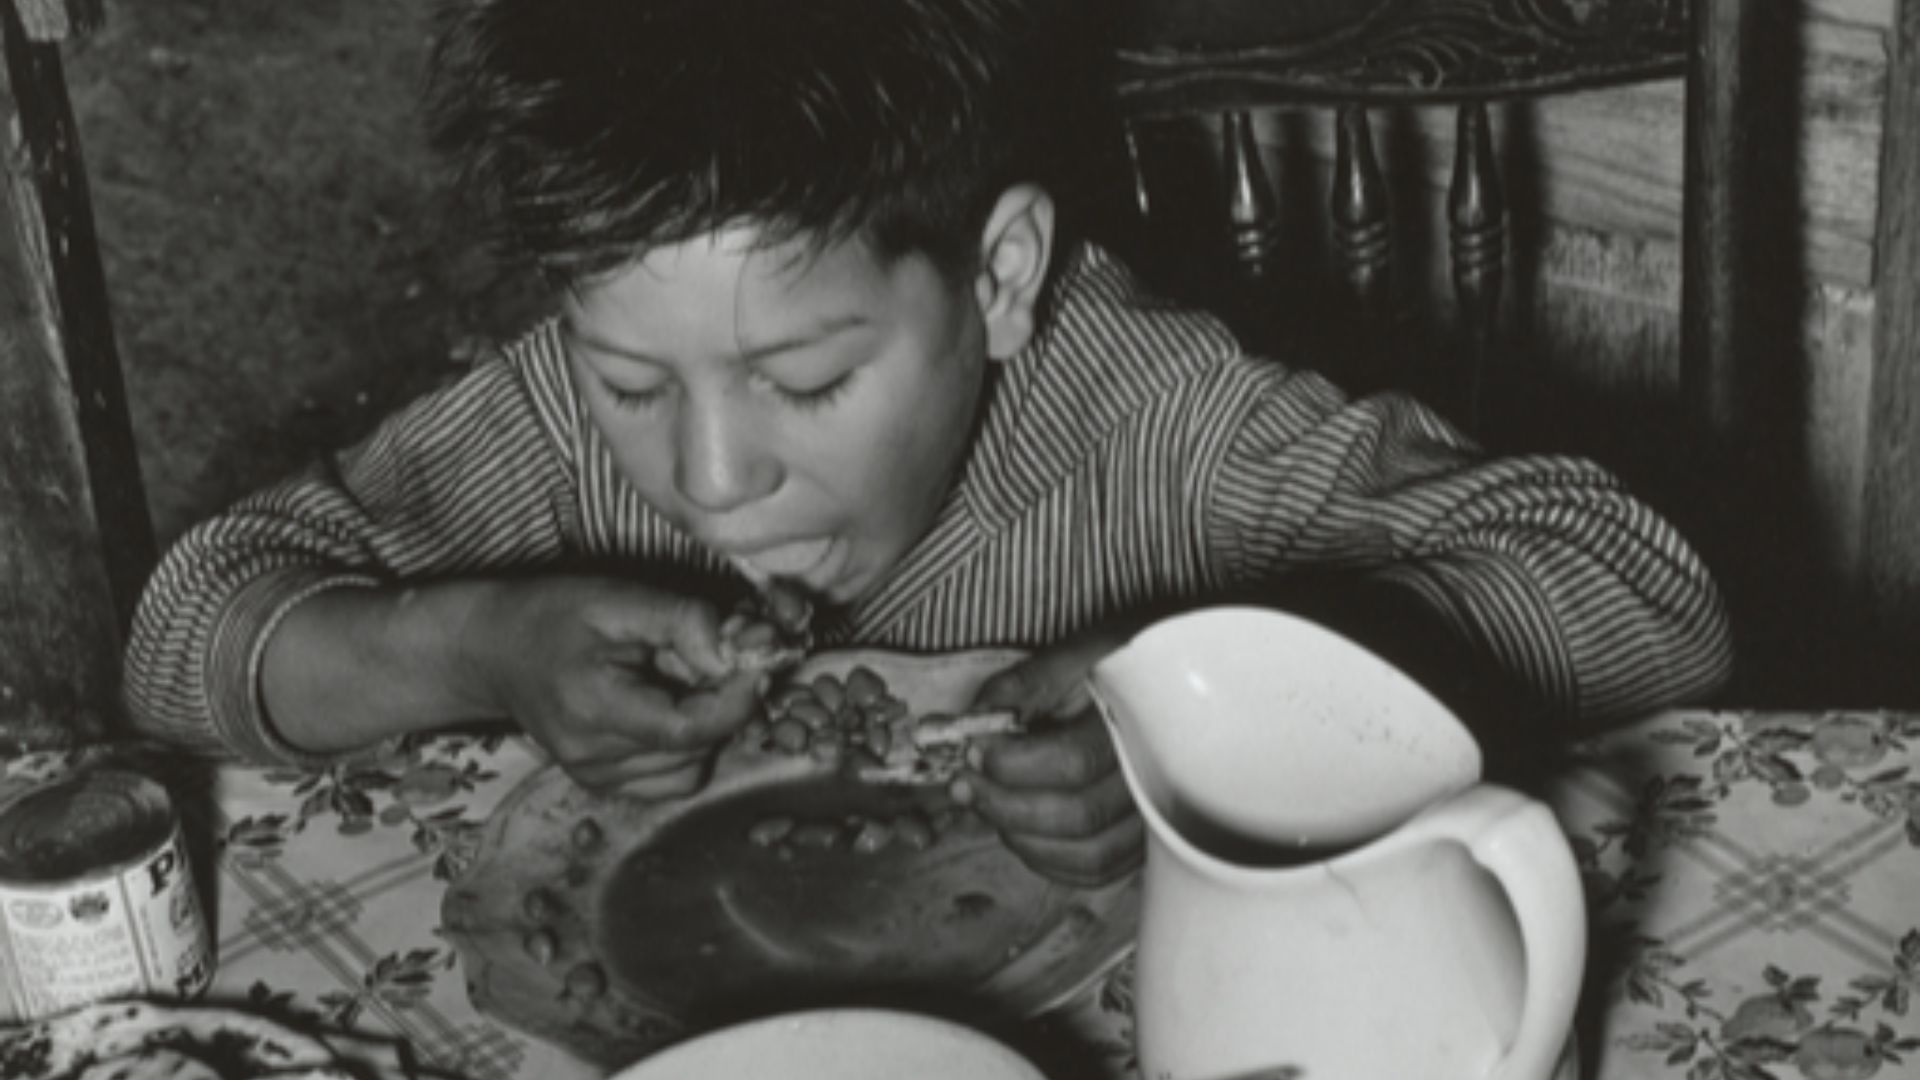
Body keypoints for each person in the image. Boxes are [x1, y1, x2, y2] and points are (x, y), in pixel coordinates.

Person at [123, 0, 1732, 888]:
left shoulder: (1158, 423)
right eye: (632, 383)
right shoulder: (554, 413)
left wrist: (1241, 700)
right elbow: (189, 638)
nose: (705, 477)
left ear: (1001, 278)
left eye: (806, 383)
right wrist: (482, 643)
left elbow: (1646, 595)